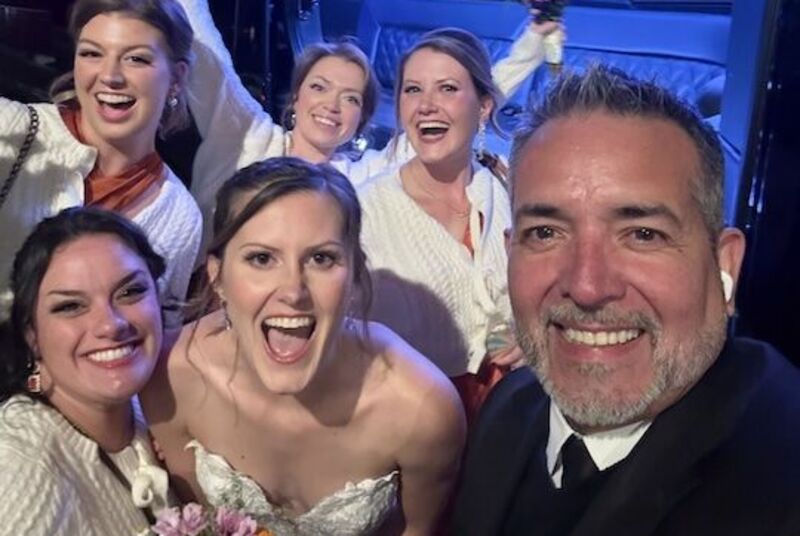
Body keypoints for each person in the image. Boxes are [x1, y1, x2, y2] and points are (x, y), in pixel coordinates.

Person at [451, 66, 800, 535]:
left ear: (725, 267)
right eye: (546, 233)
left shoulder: (780, 477)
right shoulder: (510, 407)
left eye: (642, 234)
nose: (588, 286)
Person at [142, 157, 465, 536]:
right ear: (218, 277)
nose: (293, 291)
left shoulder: (421, 410)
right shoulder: (172, 376)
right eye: (262, 258)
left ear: (354, 276)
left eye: (321, 258)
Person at [174, 0, 559, 250]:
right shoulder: (247, 136)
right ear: (296, 98)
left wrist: (533, 42)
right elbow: (207, 51)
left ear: (361, 119)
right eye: (319, 87)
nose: (332, 105)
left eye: (351, 98)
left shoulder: (365, 177)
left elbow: (459, 109)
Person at [358, 28, 524, 422]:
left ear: (484, 107)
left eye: (447, 89)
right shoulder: (364, 210)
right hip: (407, 422)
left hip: (513, 413)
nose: (426, 105)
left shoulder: (508, 191)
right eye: (413, 90)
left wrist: (529, 333)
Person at [0, 0, 202, 313]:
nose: (110, 76)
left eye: (136, 58)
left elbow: (154, 332)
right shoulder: (12, 128)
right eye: (92, 53)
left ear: (176, 78)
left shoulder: (179, 217)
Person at [0, 207, 171, 535]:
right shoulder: (20, 467)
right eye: (70, 306)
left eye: (130, 292)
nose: (111, 325)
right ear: (31, 334)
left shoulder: (157, 401)